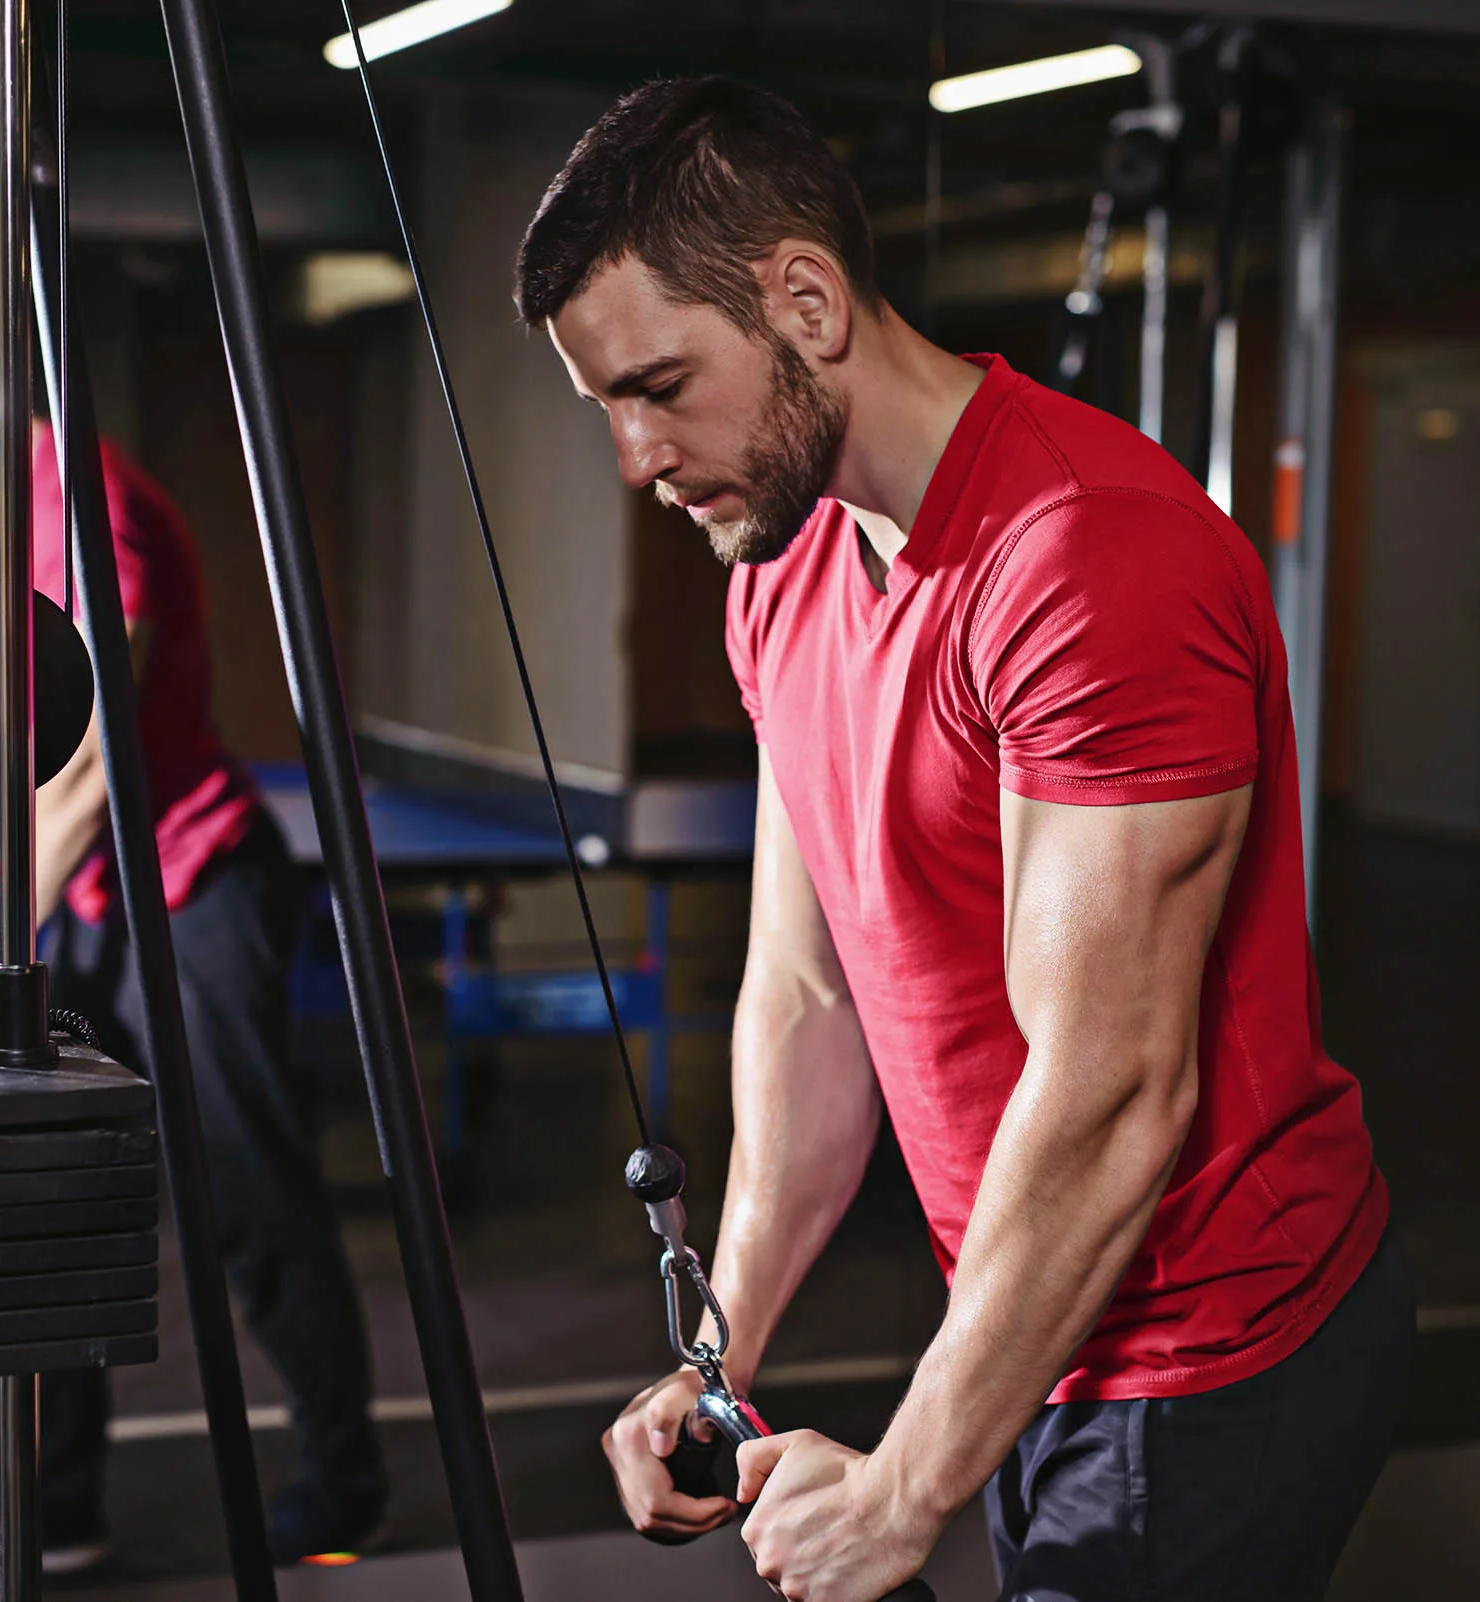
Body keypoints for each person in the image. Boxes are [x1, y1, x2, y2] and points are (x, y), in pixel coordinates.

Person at [517, 81, 1407, 1602]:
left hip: (1208, 1350)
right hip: (1032, 1313)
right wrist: (723, 1347)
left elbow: (1119, 1085)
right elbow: (808, 994)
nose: (636, 454)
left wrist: (911, 1481)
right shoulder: (778, 574)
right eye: (609, 404)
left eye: (661, 384)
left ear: (804, 297)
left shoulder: (1086, 556)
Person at [0, 303, 388, 1577]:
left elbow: (87, 759)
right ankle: (56, 1501)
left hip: (188, 890)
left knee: (249, 1199)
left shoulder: (83, 502)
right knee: (46, 1194)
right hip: (81, 904)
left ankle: (345, 1483)